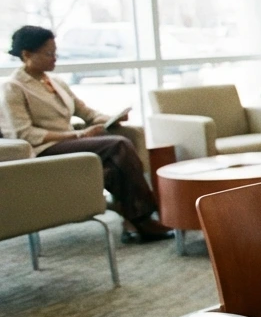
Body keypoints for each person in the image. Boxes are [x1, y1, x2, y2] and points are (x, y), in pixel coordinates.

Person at [3, 26, 173, 243]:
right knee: (118, 144)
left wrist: (111, 118)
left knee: (113, 168)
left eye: (56, 53)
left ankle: (134, 222)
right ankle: (147, 215)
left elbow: (86, 112)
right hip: (43, 150)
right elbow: (24, 133)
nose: (54, 58)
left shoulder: (55, 82)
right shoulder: (14, 88)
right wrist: (78, 136)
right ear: (27, 54)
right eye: (48, 53)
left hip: (69, 143)